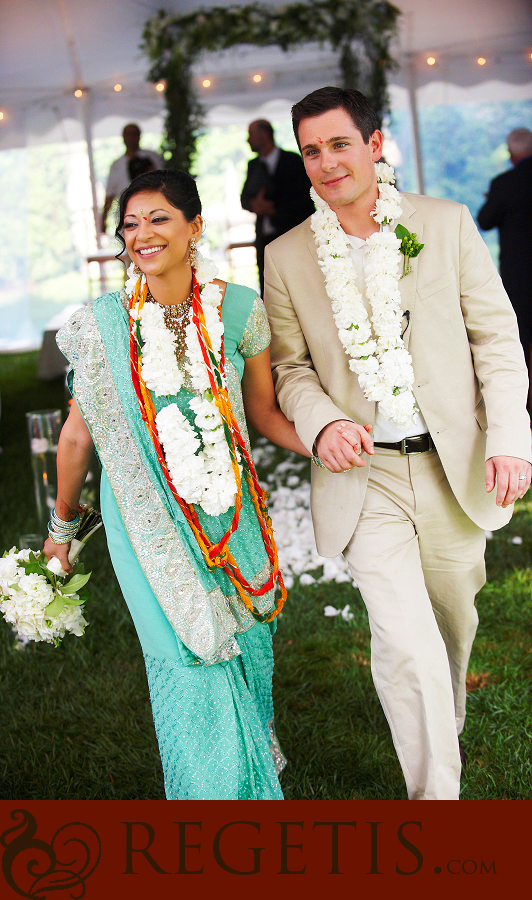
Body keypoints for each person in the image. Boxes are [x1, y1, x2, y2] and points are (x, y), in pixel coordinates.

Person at [264, 86, 532, 801]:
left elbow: (496, 338)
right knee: (403, 639)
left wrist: (510, 438)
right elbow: (289, 367)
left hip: (453, 465)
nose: (325, 162)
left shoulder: (443, 226)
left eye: (339, 144)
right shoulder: (288, 256)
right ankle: (436, 800)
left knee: (452, 623)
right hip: (366, 477)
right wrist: (322, 422)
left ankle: (442, 732)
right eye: (311, 150)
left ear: (375, 145)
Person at [44, 169, 310, 800]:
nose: (143, 234)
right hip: (144, 525)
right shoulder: (100, 327)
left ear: (194, 228)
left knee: (245, 650)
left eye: (158, 218)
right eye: (130, 224)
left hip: (230, 518)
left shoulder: (240, 310)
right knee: (188, 661)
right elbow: (78, 437)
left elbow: (266, 415)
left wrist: (333, 442)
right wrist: (61, 527)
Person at [477, 128, 532, 403]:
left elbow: (485, 220)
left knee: (519, 341)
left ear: (512, 154)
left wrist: (494, 201)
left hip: (520, 276)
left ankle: (524, 404)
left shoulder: (505, 183)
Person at [241, 119, 315, 296]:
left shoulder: (292, 161)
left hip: (291, 233)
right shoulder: (253, 165)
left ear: (265, 134)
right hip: (264, 238)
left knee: (297, 285)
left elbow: (305, 200)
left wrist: (274, 211)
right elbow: (244, 198)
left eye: (251, 134)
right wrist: (255, 204)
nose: (248, 140)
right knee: (269, 286)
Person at [101, 124, 163, 232]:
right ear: (123, 137)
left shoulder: (152, 158)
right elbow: (110, 194)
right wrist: (103, 219)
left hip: (153, 210)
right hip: (128, 216)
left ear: (139, 136)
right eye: (128, 134)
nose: (131, 137)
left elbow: (164, 183)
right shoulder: (116, 165)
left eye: (134, 134)